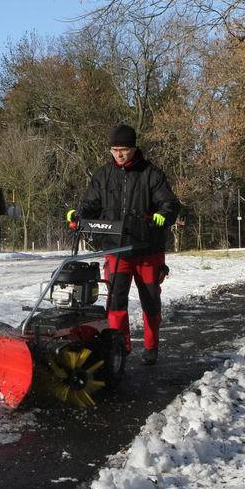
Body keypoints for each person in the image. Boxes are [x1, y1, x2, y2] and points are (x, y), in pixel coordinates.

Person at [66, 124, 180, 365]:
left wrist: (163, 214)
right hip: (116, 249)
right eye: (114, 149)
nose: (119, 154)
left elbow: (169, 203)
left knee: (150, 300)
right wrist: (79, 215)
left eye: (124, 149)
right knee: (115, 301)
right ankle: (120, 347)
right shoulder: (103, 175)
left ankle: (151, 347)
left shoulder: (151, 174)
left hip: (147, 249)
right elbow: (91, 203)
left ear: (134, 149)